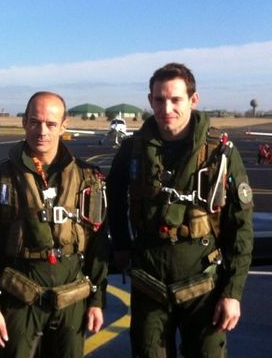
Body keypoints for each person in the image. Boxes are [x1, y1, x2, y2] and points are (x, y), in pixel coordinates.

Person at [107, 63, 254, 357]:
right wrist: (121, 244)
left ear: (193, 100)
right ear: (150, 101)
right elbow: (113, 194)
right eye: (159, 100)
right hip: (149, 283)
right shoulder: (133, 149)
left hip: (204, 284)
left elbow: (241, 225)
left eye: (176, 99)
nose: (167, 108)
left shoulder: (220, 151)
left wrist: (232, 293)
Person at [0, 91, 109, 357]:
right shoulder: (0, 178)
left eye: (50, 124)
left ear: (64, 125)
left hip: (72, 296)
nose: (42, 131)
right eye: (35, 122)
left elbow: (98, 245)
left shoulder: (88, 179)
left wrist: (96, 300)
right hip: (19, 296)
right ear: (24, 122)